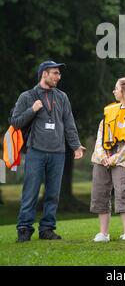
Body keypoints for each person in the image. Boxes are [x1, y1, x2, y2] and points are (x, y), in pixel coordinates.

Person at [12, 60, 85, 242]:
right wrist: (32, 110)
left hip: (58, 152)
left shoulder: (62, 97)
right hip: (35, 151)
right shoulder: (27, 96)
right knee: (30, 192)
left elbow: (69, 124)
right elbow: (15, 122)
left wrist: (75, 146)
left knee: (53, 194)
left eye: (59, 74)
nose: (58, 77)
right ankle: (24, 230)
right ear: (44, 74)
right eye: (55, 73)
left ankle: (47, 230)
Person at [90, 77, 125, 242]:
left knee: (122, 192)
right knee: (100, 193)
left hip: (122, 159)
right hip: (102, 158)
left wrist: (116, 158)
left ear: (124, 91)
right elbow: (100, 134)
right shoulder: (110, 110)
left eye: (116, 88)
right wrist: (102, 155)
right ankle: (103, 233)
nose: (113, 91)